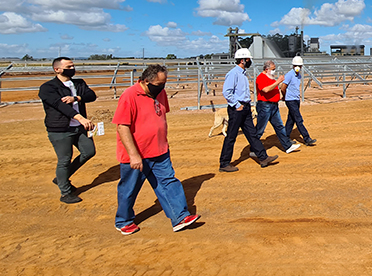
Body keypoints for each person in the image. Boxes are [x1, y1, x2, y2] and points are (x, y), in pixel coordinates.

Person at [112, 64, 200, 235]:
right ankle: (123, 220)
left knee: (169, 182)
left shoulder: (160, 93)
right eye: (159, 84)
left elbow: (159, 115)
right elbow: (122, 127)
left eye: (164, 83)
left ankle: (179, 217)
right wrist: (133, 154)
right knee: (129, 188)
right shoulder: (129, 95)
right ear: (146, 81)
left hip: (159, 150)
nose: (162, 87)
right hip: (137, 154)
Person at [38, 57, 97, 204]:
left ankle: (61, 178)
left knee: (89, 151)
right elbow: (60, 105)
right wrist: (80, 118)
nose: (72, 68)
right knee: (64, 159)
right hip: (60, 129)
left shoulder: (79, 83)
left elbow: (91, 96)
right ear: (57, 69)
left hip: (78, 127)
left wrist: (76, 98)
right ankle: (65, 192)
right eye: (68, 66)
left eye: (73, 66)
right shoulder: (48, 87)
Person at [219, 48, 278, 172]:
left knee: (252, 134)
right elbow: (227, 92)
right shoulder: (233, 73)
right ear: (242, 60)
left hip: (245, 108)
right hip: (237, 109)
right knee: (231, 136)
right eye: (248, 59)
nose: (250, 61)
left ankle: (263, 158)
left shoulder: (243, 73)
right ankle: (224, 163)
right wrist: (236, 104)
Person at [255, 60, 301, 154]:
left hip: (273, 105)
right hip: (265, 105)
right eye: (273, 69)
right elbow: (266, 89)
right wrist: (278, 81)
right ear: (267, 69)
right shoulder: (261, 77)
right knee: (260, 129)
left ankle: (287, 146)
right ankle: (254, 149)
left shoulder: (270, 77)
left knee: (279, 126)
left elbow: (273, 88)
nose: (274, 71)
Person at [281, 56, 317, 146]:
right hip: (290, 100)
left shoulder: (299, 75)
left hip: (296, 99)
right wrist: (285, 96)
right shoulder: (289, 74)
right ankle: (307, 138)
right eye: (297, 65)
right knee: (298, 119)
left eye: (300, 66)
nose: (298, 67)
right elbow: (283, 87)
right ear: (293, 65)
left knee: (291, 119)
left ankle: (285, 138)